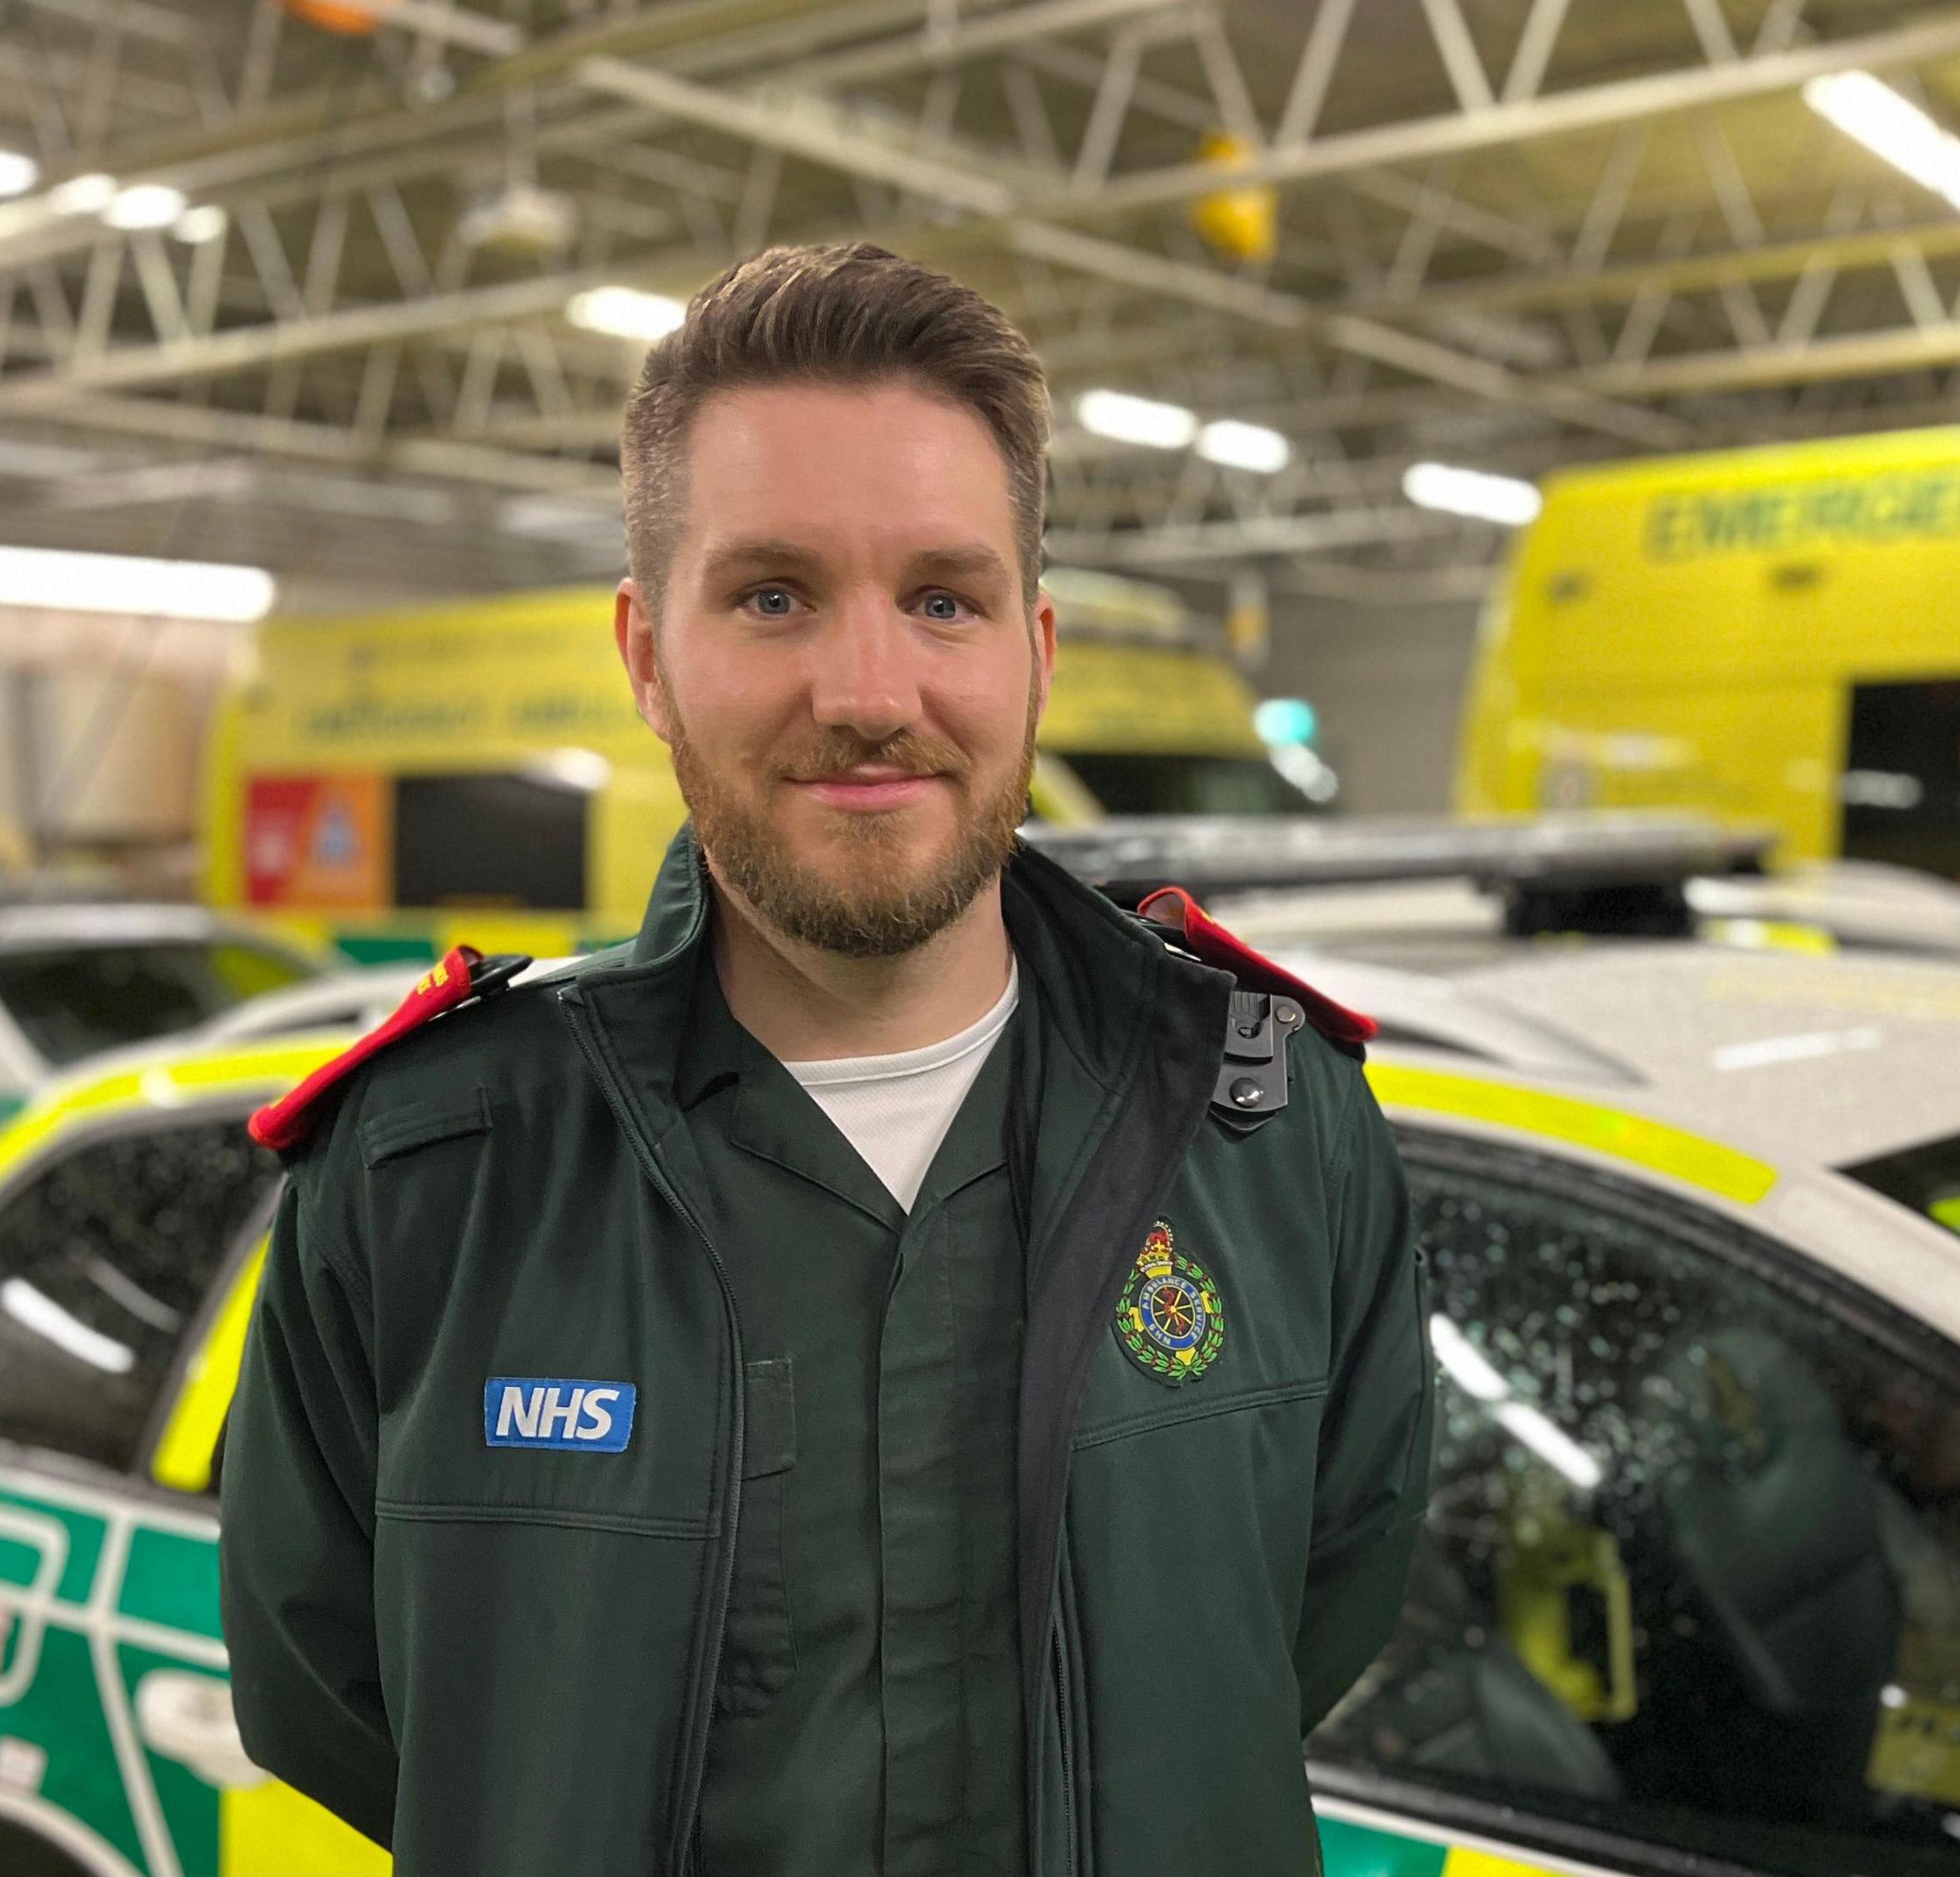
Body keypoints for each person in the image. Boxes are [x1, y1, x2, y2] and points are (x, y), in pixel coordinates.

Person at [218, 242, 1430, 1877]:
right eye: (774, 595)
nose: (870, 694)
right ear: (649, 655)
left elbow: (1301, 1632)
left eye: (945, 598)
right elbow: (337, 1698)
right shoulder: (426, 1172)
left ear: (1036, 653)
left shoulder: (1281, 1139)